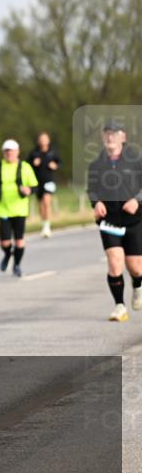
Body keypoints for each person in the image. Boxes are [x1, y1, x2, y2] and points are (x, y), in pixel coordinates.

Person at [87, 120, 142, 322]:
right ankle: (119, 306)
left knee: (136, 267)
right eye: (107, 133)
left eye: (115, 133)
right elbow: (91, 189)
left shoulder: (136, 160)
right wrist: (96, 203)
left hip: (134, 220)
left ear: (123, 137)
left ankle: (138, 284)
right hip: (109, 220)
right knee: (114, 262)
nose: (111, 137)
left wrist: (137, 200)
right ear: (103, 137)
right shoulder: (96, 164)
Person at [0, 139, 38, 278]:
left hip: (20, 209)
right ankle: (8, 254)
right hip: (3, 208)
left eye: (11, 151)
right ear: (3, 153)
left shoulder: (25, 167)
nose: (9, 154)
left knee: (19, 240)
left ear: (17, 152)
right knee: (5, 241)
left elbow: (34, 186)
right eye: (6, 151)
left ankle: (17, 265)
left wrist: (28, 191)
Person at [27, 132, 61, 238]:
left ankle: (48, 227)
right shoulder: (34, 153)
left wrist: (55, 166)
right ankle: (44, 226)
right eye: (41, 139)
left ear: (48, 140)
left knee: (46, 202)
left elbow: (59, 163)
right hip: (37, 182)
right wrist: (33, 163)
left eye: (45, 139)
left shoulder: (53, 152)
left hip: (49, 181)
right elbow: (26, 165)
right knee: (41, 206)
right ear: (38, 141)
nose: (43, 141)